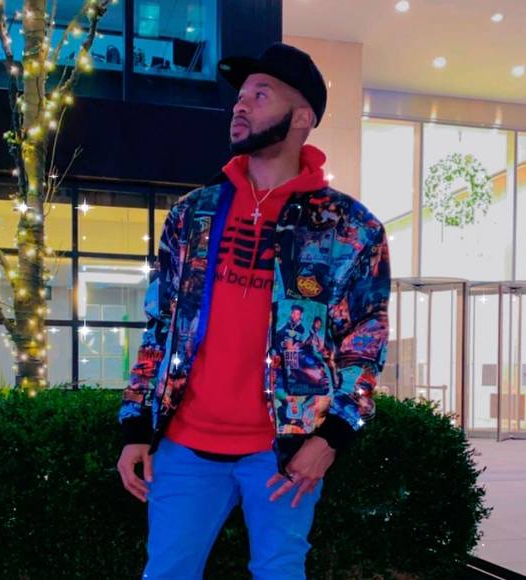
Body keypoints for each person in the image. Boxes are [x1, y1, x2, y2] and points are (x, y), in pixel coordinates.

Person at [117, 42, 391, 579]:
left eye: (260, 95)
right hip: (184, 445)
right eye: (240, 96)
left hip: (283, 453)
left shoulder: (350, 230)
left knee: (280, 571)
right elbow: (160, 328)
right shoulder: (192, 216)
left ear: (302, 117)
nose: (240, 105)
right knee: (167, 572)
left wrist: (331, 439)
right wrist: (134, 427)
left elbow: (365, 343)